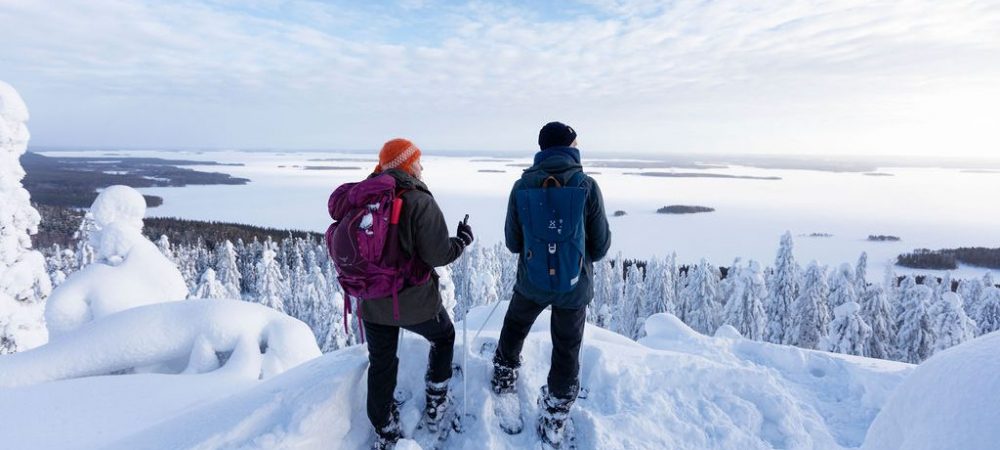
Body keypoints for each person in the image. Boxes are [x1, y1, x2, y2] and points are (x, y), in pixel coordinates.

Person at [340, 138, 474, 449]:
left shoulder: (364, 196)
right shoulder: (417, 200)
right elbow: (439, 253)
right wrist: (461, 241)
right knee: (443, 337)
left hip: (371, 300)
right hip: (412, 300)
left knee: (382, 361)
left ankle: (385, 429)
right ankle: (436, 401)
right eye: (417, 160)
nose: (421, 166)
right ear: (406, 164)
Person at [491, 122, 611, 448]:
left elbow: (513, 243)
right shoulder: (586, 186)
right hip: (573, 286)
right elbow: (599, 248)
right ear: (571, 146)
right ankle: (554, 418)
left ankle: (503, 378)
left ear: (542, 149)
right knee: (567, 348)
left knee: (515, 326)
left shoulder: (522, 186)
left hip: (531, 279)